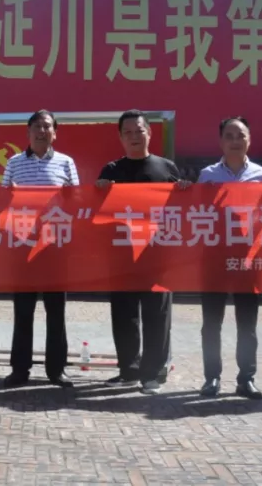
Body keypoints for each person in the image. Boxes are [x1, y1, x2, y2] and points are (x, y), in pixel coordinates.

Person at [96, 109, 190, 395]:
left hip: (157, 255)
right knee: (124, 315)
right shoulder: (111, 171)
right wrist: (99, 190)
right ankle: (128, 370)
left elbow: (181, 210)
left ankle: (152, 374)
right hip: (122, 255)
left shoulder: (166, 168)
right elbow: (96, 212)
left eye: (139, 131)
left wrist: (185, 191)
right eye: (128, 132)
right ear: (120, 137)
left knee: (157, 315)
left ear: (149, 133)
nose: (134, 136)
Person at [196, 116, 262, 400]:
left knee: (247, 323)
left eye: (240, 135)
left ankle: (246, 379)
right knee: (211, 323)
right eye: (229, 136)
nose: (235, 141)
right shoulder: (207, 175)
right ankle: (212, 378)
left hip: (248, 258)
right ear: (221, 142)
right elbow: (194, 211)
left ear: (249, 140)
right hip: (214, 257)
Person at [1, 109, 79, 388]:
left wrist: (67, 199)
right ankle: (19, 369)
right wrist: (10, 195)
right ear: (28, 132)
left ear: (55, 133)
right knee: (23, 311)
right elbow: (2, 201)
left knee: (56, 311)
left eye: (47, 127)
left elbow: (77, 202)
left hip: (54, 247)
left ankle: (57, 370)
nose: (41, 131)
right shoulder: (14, 163)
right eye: (37, 126)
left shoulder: (66, 163)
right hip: (23, 246)